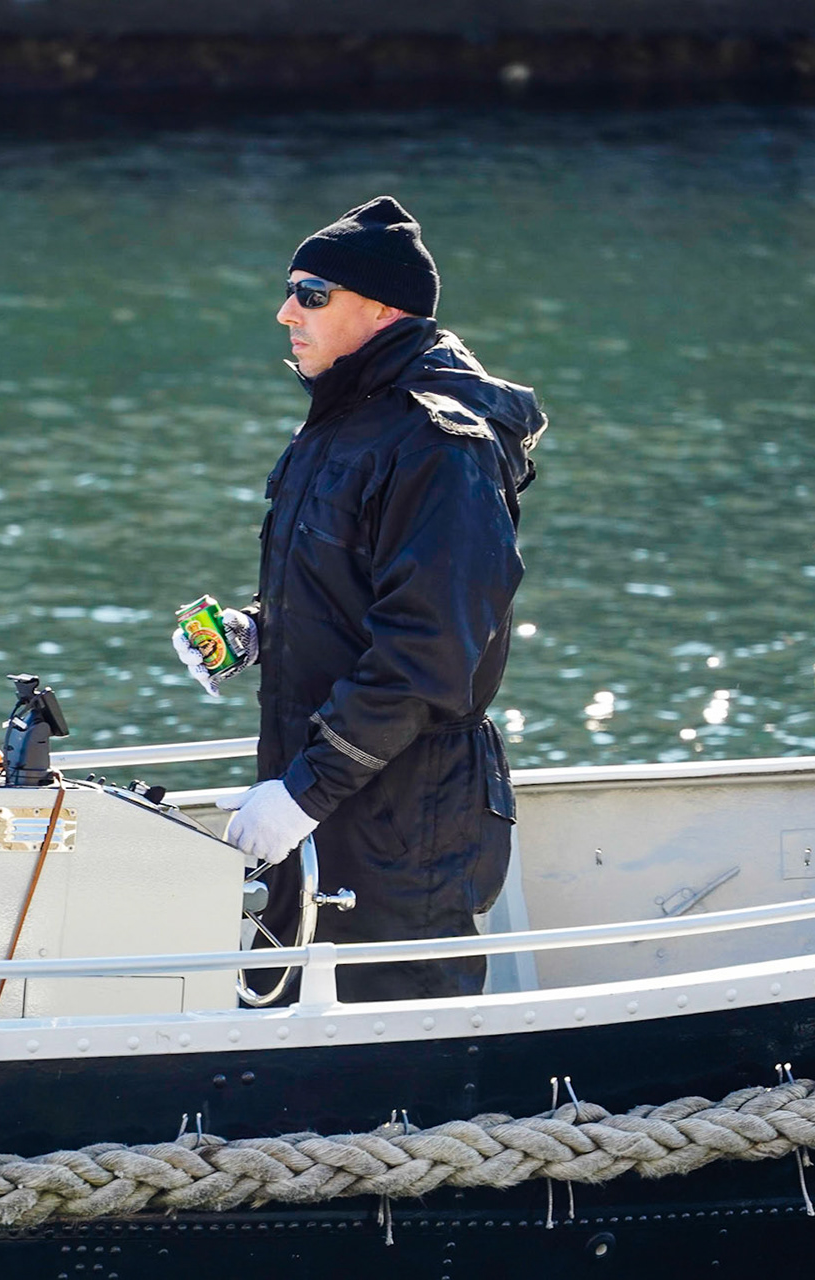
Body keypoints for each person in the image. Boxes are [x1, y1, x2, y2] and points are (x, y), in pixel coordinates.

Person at [172, 196, 546, 1002]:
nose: (285, 313)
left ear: (382, 309)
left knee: (396, 1055)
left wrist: (304, 793)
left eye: (311, 295)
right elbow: (355, 591)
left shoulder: (442, 445)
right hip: (321, 793)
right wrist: (257, 629)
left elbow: (427, 652)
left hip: (407, 817)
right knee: (288, 1023)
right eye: (290, 290)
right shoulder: (343, 421)